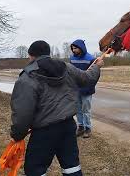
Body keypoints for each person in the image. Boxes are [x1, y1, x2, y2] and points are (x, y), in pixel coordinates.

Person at [10, 40, 104, 176]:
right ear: (48, 53)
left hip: (43, 132)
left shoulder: (28, 76)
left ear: (31, 56)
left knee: (34, 169)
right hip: (67, 127)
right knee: (72, 166)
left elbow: (22, 113)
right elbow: (87, 78)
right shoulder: (66, 67)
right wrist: (97, 66)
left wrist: (17, 134)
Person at [70, 39, 96, 138]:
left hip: (87, 89)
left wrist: (89, 85)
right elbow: (71, 73)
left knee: (86, 110)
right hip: (76, 89)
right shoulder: (72, 59)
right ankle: (80, 126)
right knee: (78, 109)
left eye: (75, 48)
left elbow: (94, 75)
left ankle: (87, 128)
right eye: (72, 48)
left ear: (81, 47)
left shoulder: (91, 59)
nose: (74, 50)